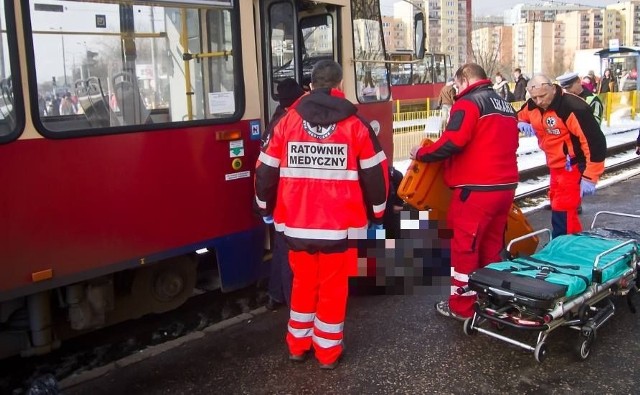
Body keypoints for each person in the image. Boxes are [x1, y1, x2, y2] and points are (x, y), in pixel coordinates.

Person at [254, 60, 389, 369]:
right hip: (340, 228)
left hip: (296, 225)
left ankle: (297, 346)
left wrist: (265, 208)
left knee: (302, 283)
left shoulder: (287, 122)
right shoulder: (356, 124)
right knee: (333, 287)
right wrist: (379, 213)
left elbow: (265, 172)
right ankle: (327, 353)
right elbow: (375, 175)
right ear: (339, 85)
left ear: (311, 85)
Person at [409, 63, 519, 321]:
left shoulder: (469, 103)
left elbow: (453, 141)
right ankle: (490, 298)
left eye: (457, 85)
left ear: (465, 79)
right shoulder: (505, 105)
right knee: (491, 247)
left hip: (475, 190)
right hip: (504, 189)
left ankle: (462, 308)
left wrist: (421, 153)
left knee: (464, 249)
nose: (456, 90)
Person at [516, 75, 607, 238]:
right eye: (534, 97)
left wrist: (590, 176)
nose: (539, 101)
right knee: (558, 205)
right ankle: (567, 244)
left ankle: (565, 245)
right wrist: (519, 122)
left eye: (542, 96)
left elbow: (594, 141)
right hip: (555, 165)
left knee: (563, 208)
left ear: (552, 88)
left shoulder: (572, 107)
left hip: (573, 165)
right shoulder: (532, 106)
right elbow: (519, 115)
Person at [263, 78, 305, 311]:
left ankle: (276, 294)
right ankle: (292, 304)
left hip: (279, 196)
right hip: (290, 195)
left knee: (281, 246)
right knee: (288, 250)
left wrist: (263, 205)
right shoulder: (292, 120)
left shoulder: (278, 117)